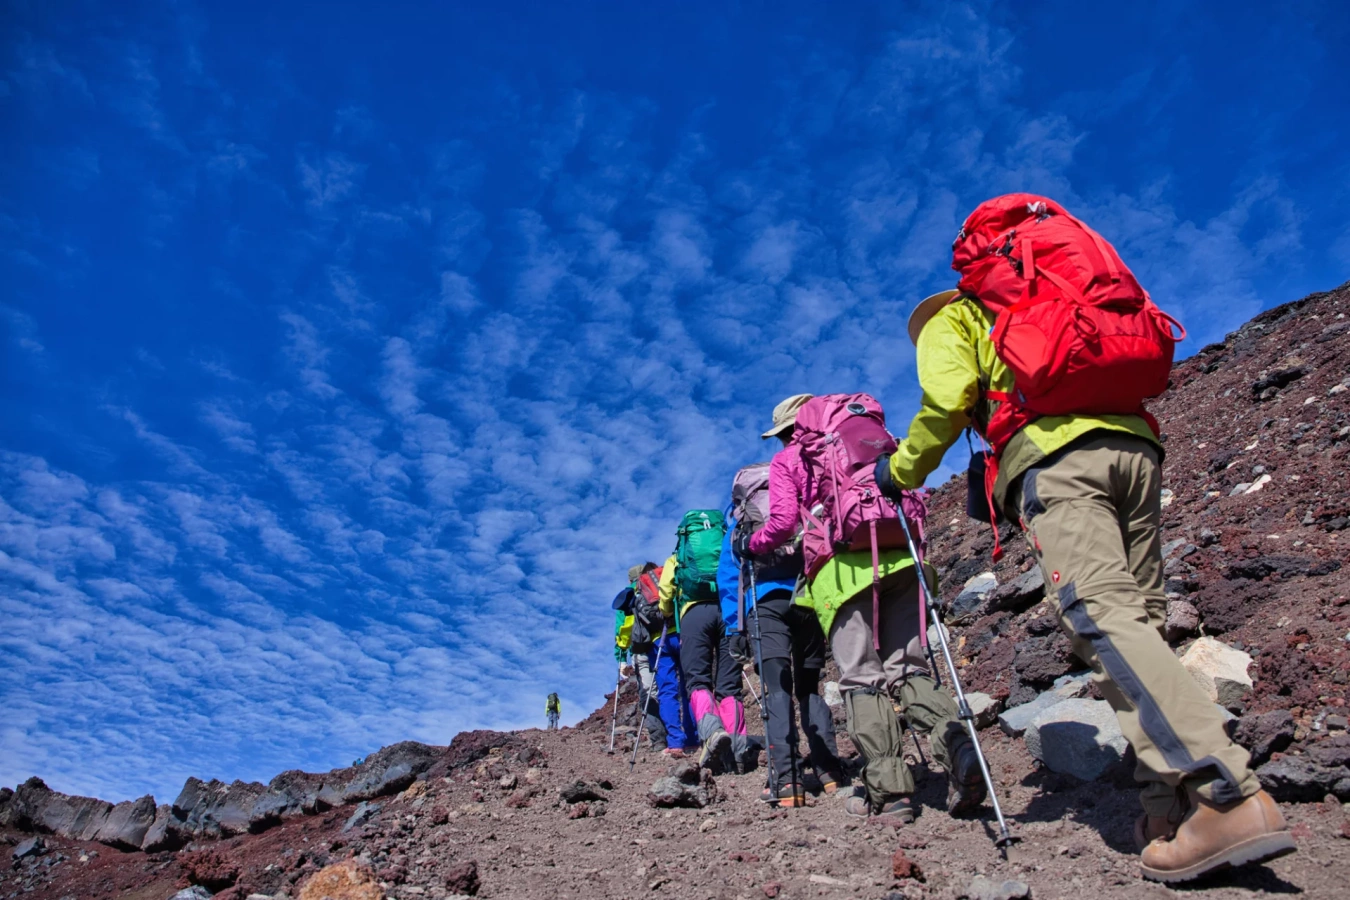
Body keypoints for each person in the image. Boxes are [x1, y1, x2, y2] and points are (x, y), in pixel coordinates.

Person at [880, 284, 1293, 880]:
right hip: (1135, 447)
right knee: (1140, 622)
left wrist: (901, 470)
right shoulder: (1047, 297)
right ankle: (1165, 813)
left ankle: (1222, 795)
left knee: (1101, 617)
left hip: (1055, 459)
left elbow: (947, 400)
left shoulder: (954, 320)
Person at [743, 394, 985, 825]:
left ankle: (890, 792)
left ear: (791, 429)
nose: (782, 442)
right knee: (910, 668)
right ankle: (959, 749)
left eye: (782, 434)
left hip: (840, 570)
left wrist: (753, 545)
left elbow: (781, 523)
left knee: (861, 678)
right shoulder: (872, 437)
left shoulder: (790, 459)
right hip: (903, 556)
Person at [721, 461, 843, 808]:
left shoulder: (738, 520)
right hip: (807, 599)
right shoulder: (796, 503)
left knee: (777, 687)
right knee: (810, 687)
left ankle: (786, 780)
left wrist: (735, 628)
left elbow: (730, 578)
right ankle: (829, 771)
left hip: (766, 604)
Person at [658, 512, 746, 774]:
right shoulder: (725, 547)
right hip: (728, 612)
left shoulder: (677, 559)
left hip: (694, 615)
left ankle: (712, 733)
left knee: (698, 679)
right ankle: (738, 750)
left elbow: (665, 595)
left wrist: (668, 611)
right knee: (730, 684)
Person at [613, 564, 669, 752]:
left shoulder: (628, 594)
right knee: (670, 687)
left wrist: (621, 658)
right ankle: (680, 733)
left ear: (630, 579)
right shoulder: (657, 584)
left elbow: (622, 629)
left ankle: (659, 739)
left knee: (648, 693)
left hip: (640, 648)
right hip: (665, 641)